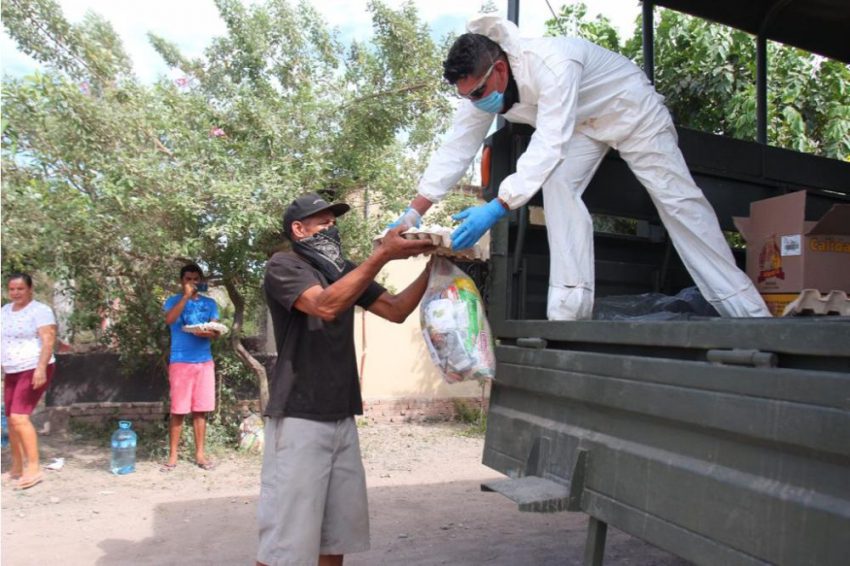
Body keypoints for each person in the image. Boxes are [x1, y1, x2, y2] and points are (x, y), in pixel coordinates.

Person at [392, 15, 770, 321]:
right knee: (557, 184)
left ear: (500, 68)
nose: (475, 102)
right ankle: (569, 311)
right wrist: (413, 213)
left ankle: (748, 312)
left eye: (477, 93)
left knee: (677, 201)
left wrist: (498, 206)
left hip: (629, 108)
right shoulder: (479, 90)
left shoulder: (553, 64)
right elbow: (456, 147)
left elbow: (549, 143)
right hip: (581, 125)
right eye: (467, 96)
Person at [257, 192, 435, 566]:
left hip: (342, 415)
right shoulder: (284, 265)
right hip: (300, 416)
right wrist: (381, 256)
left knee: (335, 538)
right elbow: (324, 304)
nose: (331, 227)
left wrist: (437, 266)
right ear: (298, 229)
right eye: (323, 221)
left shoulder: (343, 270)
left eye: (334, 222)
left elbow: (396, 309)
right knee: (285, 544)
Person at [161, 263, 221, 472]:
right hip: (180, 361)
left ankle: (200, 455)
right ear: (181, 281)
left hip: (204, 361)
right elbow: (169, 320)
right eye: (188, 279)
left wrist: (209, 333)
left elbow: (215, 330)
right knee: (178, 410)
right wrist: (185, 297)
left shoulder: (209, 303)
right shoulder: (173, 301)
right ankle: (173, 456)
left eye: (196, 279)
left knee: (200, 411)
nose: (192, 283)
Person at [1, 272, 57, 490]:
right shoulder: (5, 311)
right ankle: (16, 467)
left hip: (33, 367)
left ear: (30, 289)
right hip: (12, 369)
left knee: (19, 417)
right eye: (12, 289)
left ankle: (34, 469)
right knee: (10, 419)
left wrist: (40, 368)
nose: (16, 293)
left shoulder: (41, 311)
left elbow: (48, 340)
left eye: (20, 289)